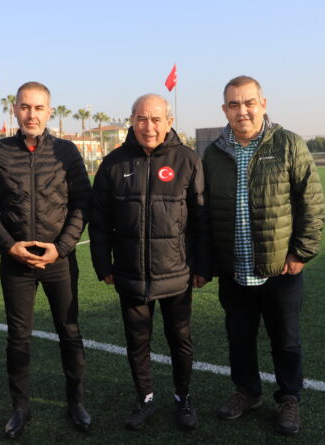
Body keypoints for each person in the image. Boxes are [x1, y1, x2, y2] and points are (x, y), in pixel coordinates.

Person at [202, 76, 325, 436]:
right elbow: (204, 212)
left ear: (263, 104)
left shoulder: (288, 144)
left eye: (249, 103)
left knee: (286, 340)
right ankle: (247, 391)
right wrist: (210, 262)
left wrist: (300, 253)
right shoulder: (213, 154)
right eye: (234, 104)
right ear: (224, 110)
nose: (242, 111)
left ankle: (289, 398)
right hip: (234, 270)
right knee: (239, 339)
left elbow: (312, 203)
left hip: (280, 270)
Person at [0, 81, 92, 439]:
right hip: (16, 263)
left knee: (69, 332)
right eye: (25, 107)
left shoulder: (66, 152)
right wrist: (9, 246)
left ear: (49, 112)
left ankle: (76, 403)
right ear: (14, 110)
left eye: (39, 108)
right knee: (18, 337)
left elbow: (82, 203)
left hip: (59, 261)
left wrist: (62, 247)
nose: (32, 114)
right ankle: (20, 408)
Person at [89, 94, 212, 431]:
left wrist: (203, 267)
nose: (149, 127)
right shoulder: (113, 163)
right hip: (130, 274)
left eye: (156, 119)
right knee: (137, 342)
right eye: (142, 119)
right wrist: (103, 265)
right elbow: (99, 221)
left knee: (180, 340)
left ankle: (183, 397)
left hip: (177, 274)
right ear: (132, 120)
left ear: (169, 122)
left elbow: (201, 219)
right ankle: (144, 398)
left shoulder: (188, 161)